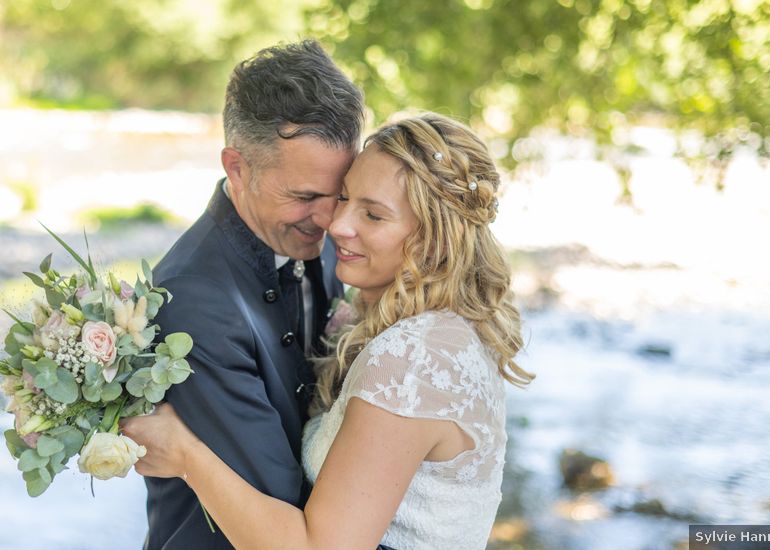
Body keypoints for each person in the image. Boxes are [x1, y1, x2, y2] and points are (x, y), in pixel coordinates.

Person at [124, 113, 534, 549]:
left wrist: (186, 456)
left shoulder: (414, 359)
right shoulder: (443, 328)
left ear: (437, 240)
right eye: (344, 197)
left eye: (373, 215)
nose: (336, 225)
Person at [142, 40, 364, 550]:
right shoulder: (192, 300)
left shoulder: (320, 237)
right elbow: (279, 498)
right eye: (304, 196)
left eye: (341, 193)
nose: (332, 221)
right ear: (238, 168)